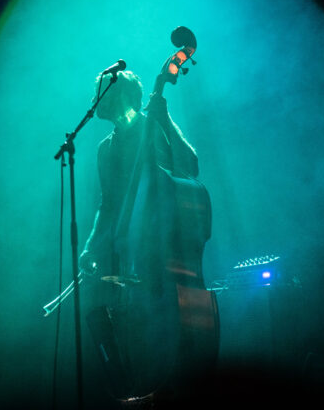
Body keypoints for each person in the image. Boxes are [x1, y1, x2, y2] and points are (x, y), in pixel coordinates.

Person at [77, 69, 201, 403]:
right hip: (131, 264)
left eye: (107, 93)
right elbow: (108, 205)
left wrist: (165, 118)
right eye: (99, 94)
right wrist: (90, 246)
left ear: (125, 95)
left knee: (174, 359)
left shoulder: (152, 126)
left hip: (165, 259)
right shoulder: (106, 149)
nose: (100, 100)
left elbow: (190, 165)